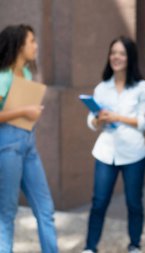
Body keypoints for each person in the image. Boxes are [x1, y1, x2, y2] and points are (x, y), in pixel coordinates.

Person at [82, 36, 145, 253]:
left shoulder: (142, 88)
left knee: (134, 203)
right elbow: (91, 120)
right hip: (105, 152)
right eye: (113, 52)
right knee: (98, 202)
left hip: (133, 154)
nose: (116, 57)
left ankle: (134, 245)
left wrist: (117, 117)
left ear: (130, 57)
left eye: (121, 53)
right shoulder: (102, 87)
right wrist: (98, 120)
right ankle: (90, 247)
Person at [0, 24, 58, 253]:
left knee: (46, 209)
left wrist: (30, 112)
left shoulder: (25, 73)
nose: (35, 46)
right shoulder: (3, 76)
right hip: (8, 147)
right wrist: (25, 112)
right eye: (31, 41)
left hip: (28, 146)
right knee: (6, 214)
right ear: (18, 45)